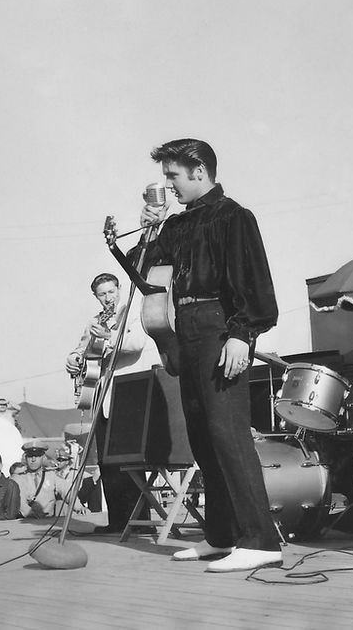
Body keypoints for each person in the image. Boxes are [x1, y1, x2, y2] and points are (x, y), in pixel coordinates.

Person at [140, 138, 282, 572]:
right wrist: (146, 229)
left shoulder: (234, 216)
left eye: (173, 175)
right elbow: (147, 276)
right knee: (203, 435)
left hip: (220, 328)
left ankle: (261, 539)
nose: (168, 184)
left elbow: (255, 286)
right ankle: (221, 535)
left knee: (228, 435)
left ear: (199, 171)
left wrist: (242, 336)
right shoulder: (177, 225)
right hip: (187, 332)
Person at [64, 272, 149, 534]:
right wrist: (74, 358)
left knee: (130, 458)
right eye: (102, 294)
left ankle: (141, 522)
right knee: (107, 460)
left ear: (119, 290)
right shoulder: (94, 321)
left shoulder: (132, 312)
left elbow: (137, 343)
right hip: (101, 393)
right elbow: (82, 348)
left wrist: (108, 338)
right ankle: (118, 521)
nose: (108, 298)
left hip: (127, 391)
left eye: (111, 292)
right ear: (96, 297)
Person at [12, 440, 63, 519]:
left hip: (47, 522)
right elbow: (19, 502)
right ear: (25, 458)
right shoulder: (18, 479)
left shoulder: (52, 476)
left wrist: (79, 507)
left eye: (37, 456)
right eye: (30, 456)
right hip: (25, 522)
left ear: (43, 457)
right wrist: (31, 514)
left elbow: (67, 491)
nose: (33, 459)